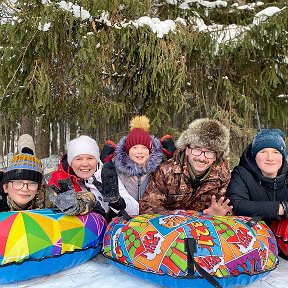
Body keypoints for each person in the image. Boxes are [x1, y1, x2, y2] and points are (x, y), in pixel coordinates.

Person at [139, 118, 232, 216]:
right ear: (187, 149)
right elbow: (147, 206)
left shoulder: (223, 175)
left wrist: (222, 214)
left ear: (216, 156)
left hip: (205, 227)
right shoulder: (165, 171)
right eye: (197, 149)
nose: (201, 158)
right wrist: (173, 219)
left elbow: (229, 209)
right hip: (171, 226)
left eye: (209, 152)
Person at [100, 115, 176, 218]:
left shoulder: (160, 168)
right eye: (134, 147)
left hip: (153, 218)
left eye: (144, 147)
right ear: (127, 151)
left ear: (150, 150)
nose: (140, 152)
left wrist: (173, 156)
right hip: (124, 218)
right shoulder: (117, 169)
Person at [226, 129, 288, 221]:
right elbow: (237, 205)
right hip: (253, 232)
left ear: (282, 157)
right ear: (255, 156)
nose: (270, 158)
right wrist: (281, 208)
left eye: (276, 152)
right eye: (263, 152)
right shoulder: (242, 173)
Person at [48, 135, 109, 216]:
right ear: (71, 162)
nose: (85, 164)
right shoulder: (59, 179)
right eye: (78, 159)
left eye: (90, 158)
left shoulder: (108, 175)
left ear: (97, 160)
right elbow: (48, 200)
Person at [0, 147, 51, 212]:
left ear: (38, 188)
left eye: (32, 183)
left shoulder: (48, 201)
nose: (25, 189)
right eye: (18, 182)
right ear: (6, 187)